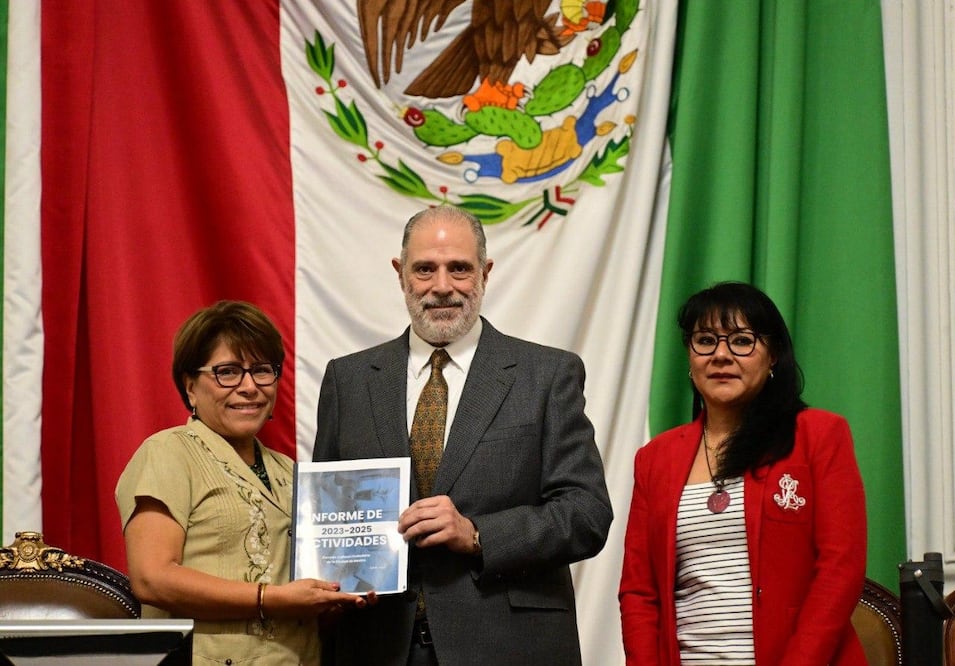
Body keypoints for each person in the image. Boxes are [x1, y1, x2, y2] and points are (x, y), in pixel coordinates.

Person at [314, 205, 613, 666]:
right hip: (376, 644)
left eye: (459, 268)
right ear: (400, 274)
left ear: (485, 273)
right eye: (424, 269)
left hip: (510, 646)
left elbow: (586, 514)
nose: (442, 286)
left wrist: (478, 534)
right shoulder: (348, 380)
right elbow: (328, 522)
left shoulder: (547, 374)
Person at [618, 282, 867, 665]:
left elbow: (840, 569)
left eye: (742, 340)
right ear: (689, 356)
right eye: (705, 340)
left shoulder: (819, 435)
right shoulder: (656, 458)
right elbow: (639, 591)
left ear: (773, 357)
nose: (721, 355)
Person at [116, 300, 369, 665]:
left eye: (262, 371)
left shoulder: (291, 473)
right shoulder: (167, 453)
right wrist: (270, 599)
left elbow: (307, 591)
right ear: (190, 387)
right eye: (228, 372)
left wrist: (339, 595)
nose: (249, 387)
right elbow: (152, 578)